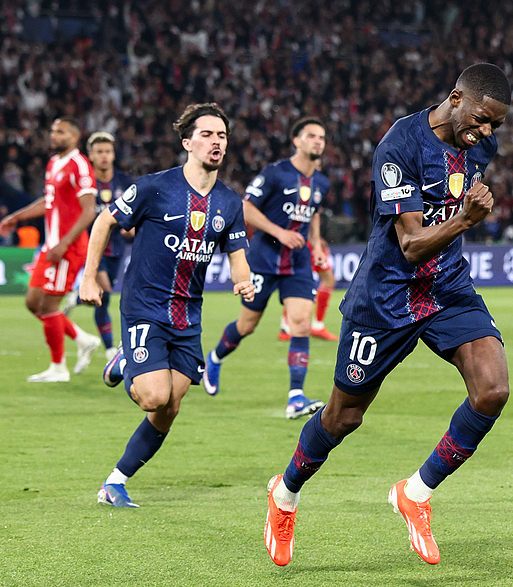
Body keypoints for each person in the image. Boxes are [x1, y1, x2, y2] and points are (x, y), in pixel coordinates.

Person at [262, 63, 511, 567]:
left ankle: (415, 493)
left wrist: (464, 212)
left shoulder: (479, 146)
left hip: (447, 288)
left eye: (496, 125)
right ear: (456, 98)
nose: (486, 133)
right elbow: (412, 245)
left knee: (493, 390)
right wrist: (466, 219)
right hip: (387, 296)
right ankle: (284, 494)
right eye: (482, 119)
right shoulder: (400, 145)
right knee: (343, 417)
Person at [78, 102, 254, 508]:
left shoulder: (229, 202)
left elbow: (237, 253)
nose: (216, 142)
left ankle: (115, 482)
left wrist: (243, 279)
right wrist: (89, 277)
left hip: (187, 315)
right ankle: (126, 361)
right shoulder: (154, 188)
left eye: (222, 135)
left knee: (170, 406)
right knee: (153, 396)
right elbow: (104, 221)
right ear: (187, 142)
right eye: (207, 134)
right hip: (144, 306)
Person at [203, 117, 331, 419]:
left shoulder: (321, 182)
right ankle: (215, 357)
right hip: (264, 259)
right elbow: (246, 207)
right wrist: (279, 233)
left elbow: (313, 213)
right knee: (247, 325)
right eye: (311, 136)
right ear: (296, 141)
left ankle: (296, 397)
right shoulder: (276, 173)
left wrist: (316, 244)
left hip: (298, 262)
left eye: (322, 137)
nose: (318, 141)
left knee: (301, 323)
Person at [0, 118, 102, 383]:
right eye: (53, 131)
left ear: (75, 137)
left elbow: (89, 211)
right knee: (34, 303)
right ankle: (83, 339)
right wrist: (17, 217)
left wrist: (64, 243)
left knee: (49, 306)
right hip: (51, 245)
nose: (54, 135)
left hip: (68, 247)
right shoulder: (54, 163)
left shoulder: (79, 165)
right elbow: (49, 201)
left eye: (60, 132)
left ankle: (58, 368)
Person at [63, 132, 135, 363]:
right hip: (91, 245)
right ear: (91, 156)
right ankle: (110, 349)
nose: (104, 156)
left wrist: (131, 227)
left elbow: (136, 213)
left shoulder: (125, 182)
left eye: (108, 151)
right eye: (99, 152)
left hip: (116, 247)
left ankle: (78, 300)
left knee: (103, 298)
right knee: (104, 287)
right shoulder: (85, 184)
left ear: (113, 155)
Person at [279, 159, 339, 342]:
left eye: (320, 165)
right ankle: (296, 326)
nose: (318, 168)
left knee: (324, 279)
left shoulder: (315, 185)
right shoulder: (298, 183)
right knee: (310, 281)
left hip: (308, 241)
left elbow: (314, 216)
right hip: (299, 240)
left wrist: (317, 240)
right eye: (316, 164)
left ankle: (292, 326)